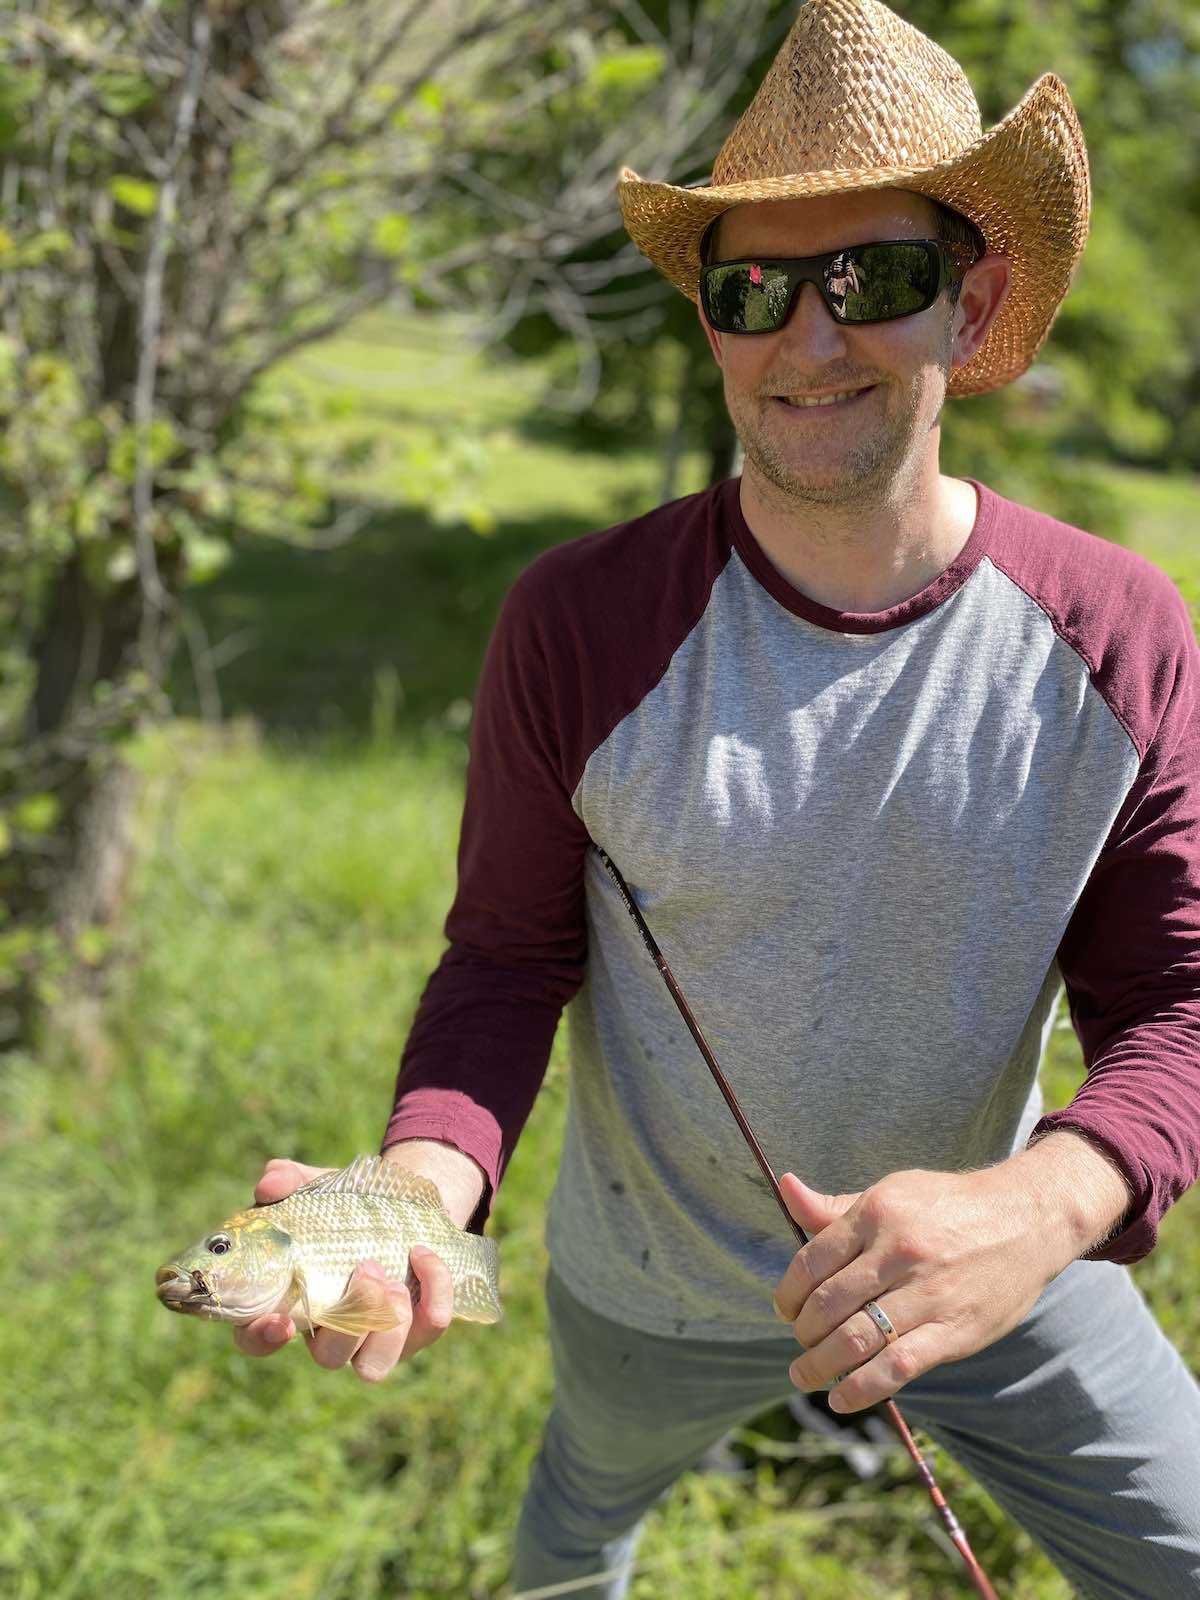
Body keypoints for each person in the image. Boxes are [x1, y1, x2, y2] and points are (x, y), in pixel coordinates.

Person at [234, 2, 1200, 1594]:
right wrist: (418, 1182)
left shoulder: (1118, 635)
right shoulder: (578, 622)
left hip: (998, 1262)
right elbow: (505, 959)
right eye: (753, 288)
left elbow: (1173, 1003)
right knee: (573, 1539)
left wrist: (1045, 1208)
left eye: (874, 279)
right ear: (713, 325)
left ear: (979, 298)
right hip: (649, 1280)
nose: (808, 338)